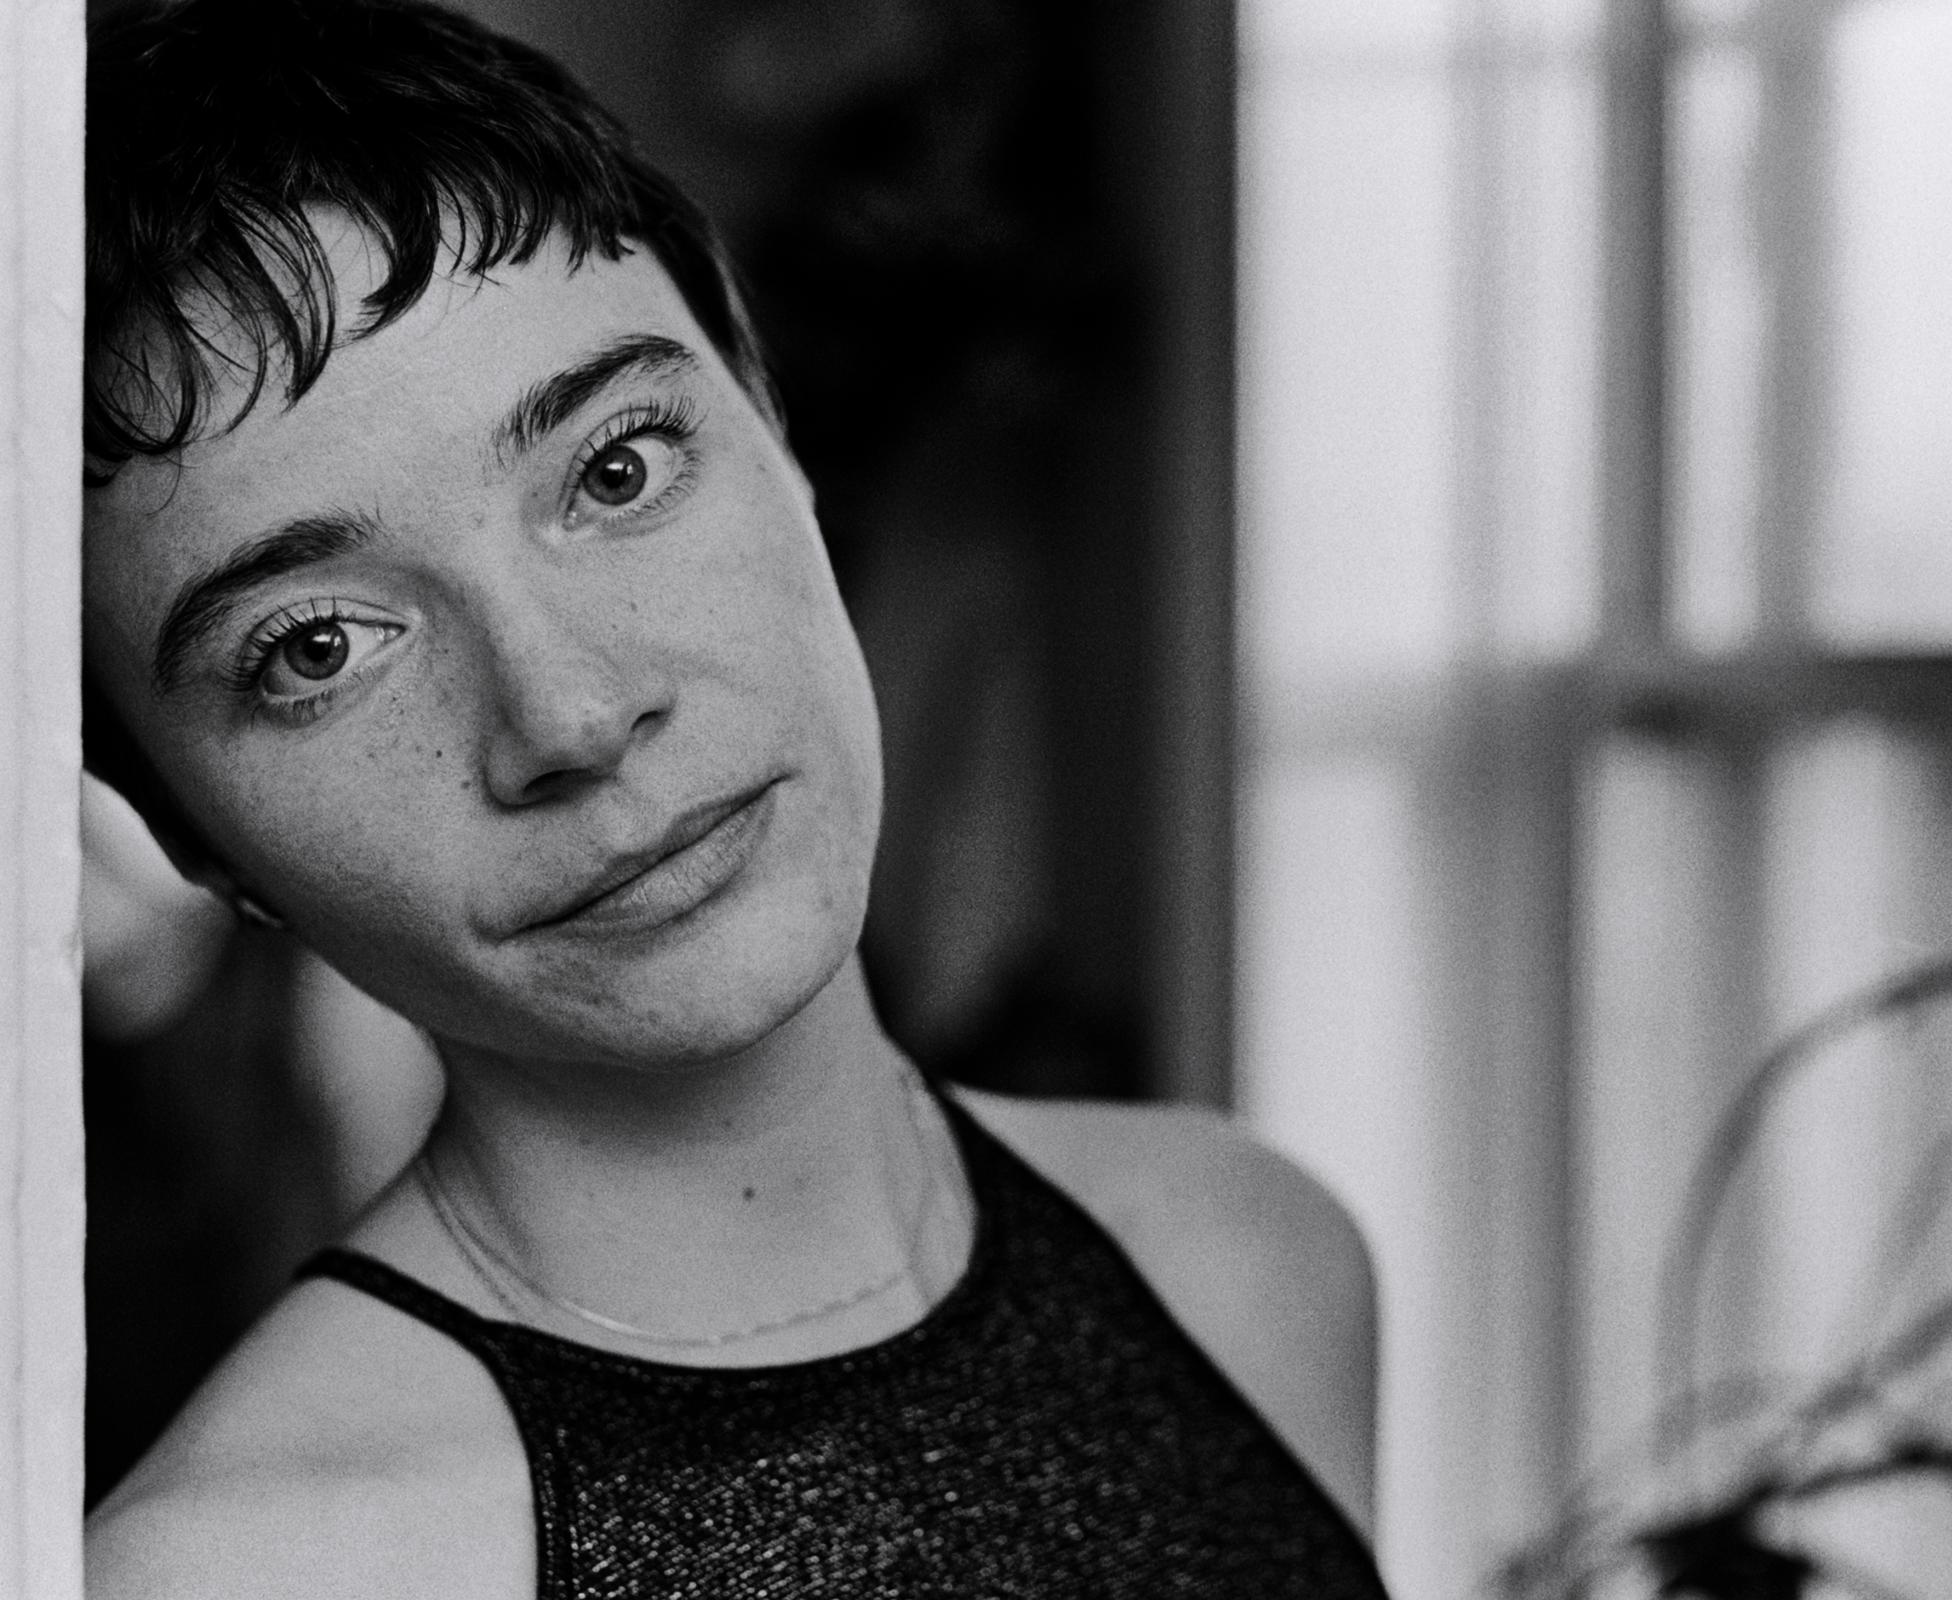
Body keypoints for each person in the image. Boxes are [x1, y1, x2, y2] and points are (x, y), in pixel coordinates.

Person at [79, 1, 1389, 1594]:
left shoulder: (1250, 1259)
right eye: (319, 647)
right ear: (191, 835)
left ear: (778, 434)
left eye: (615, 469)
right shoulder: (248, 1571)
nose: (571, 713)